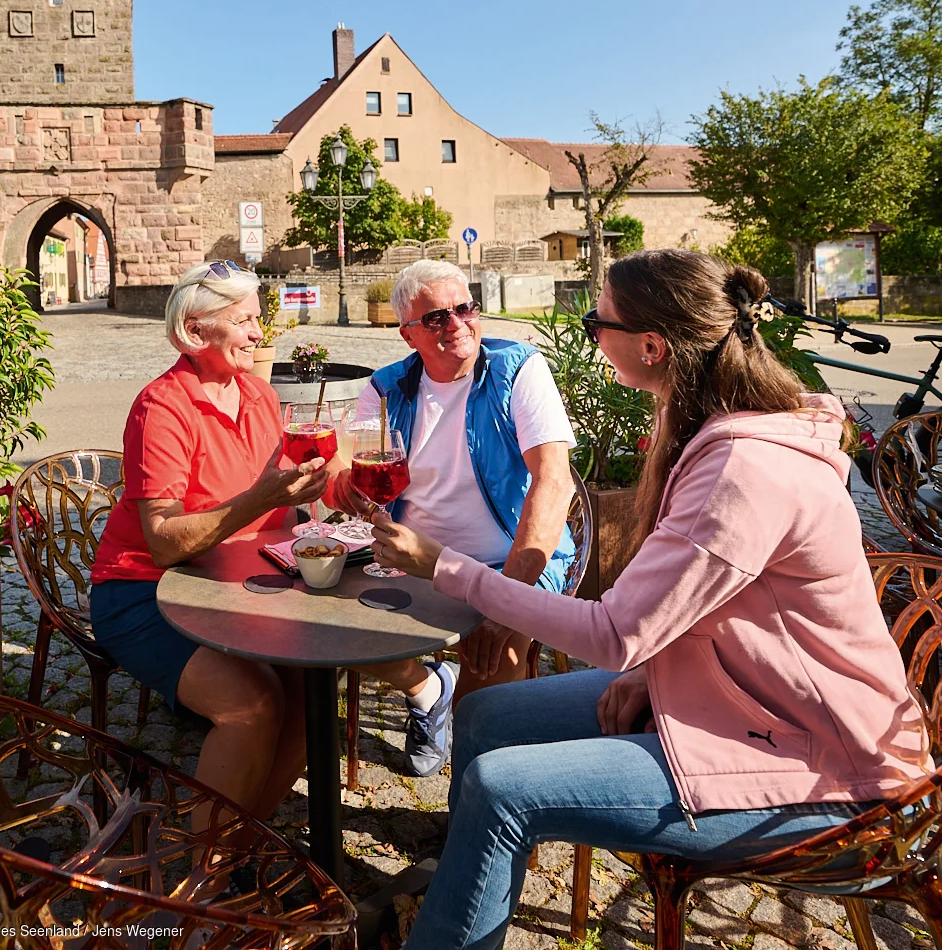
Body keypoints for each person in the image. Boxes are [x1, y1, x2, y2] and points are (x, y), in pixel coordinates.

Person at [370, 250, 932, 950]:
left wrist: (446, 567)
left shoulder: (742, 466)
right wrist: (648, 668)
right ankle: (466, 873)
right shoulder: (711, 425)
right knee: (482, 712)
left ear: (651, 346)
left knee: (500, 784)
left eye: (595, 320)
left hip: (826, 773)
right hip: (735, 701)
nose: (590, 334)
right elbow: (695, 603)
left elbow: (611, 631)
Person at [90, 261, 328, 821]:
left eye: (258, 319)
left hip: (235, 582)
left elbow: (281, 505)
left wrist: (323, 498)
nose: (258, 333)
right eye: (244, 321)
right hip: (144, 591)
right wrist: (261, 500)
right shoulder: (162, 407)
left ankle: (245, 851)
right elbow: (166, 541)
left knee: (309, 694)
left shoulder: (258, 395)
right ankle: (205, 881)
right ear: (196, 332)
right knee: (253, 704)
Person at [331, 259, 576, 777]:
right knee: (324, 627)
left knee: (487, 693)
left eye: (465, 308)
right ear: (408, 334)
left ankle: (477, 815)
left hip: (508, 561)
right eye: (437, 317)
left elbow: (554, 481)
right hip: (408, 560)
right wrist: (342, 486)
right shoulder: (385, 388)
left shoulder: (518, 370)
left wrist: (504, 600)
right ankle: (425, 690)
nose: (457, 324)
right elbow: (353, 476)